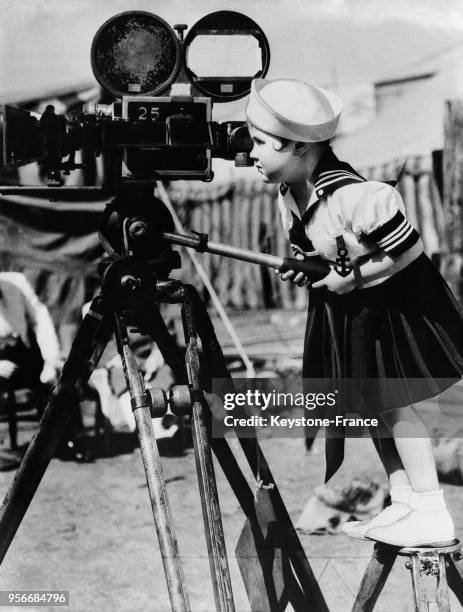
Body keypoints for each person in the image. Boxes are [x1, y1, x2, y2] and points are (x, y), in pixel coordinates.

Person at [245, 78, 463, 547]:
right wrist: (310, 272)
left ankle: (431, 509)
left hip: (394, 309)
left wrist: (355, 277)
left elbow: (409, 249)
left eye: (261, 142)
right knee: (368, 409)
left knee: (399, 405)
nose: (251, 153)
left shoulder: (356, 195)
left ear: (300, 146)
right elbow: (322, 257)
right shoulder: (288, 194)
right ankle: (403, 504)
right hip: (350, 313)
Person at [0, 272, 61, 453]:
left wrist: (50, 358)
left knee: (58, 380)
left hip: (22, 349)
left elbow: (39, 318)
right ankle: (5, 451)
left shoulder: (16, 281)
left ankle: (65, 440)